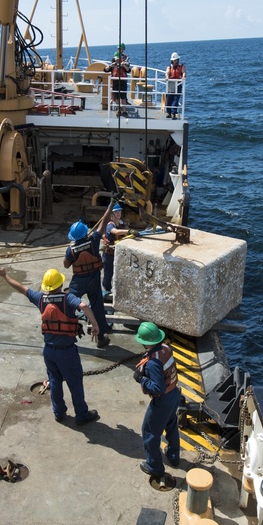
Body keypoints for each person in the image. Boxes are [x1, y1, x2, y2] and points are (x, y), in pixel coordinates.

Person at [0, 265, 101, 426]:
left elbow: (21, 288)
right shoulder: (67, 299)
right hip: (67, 352)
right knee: (74, 382)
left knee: (54, 380)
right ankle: (81, 415)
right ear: (59, 284)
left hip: (49, 351)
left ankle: (59, 412)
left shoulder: (40, 299)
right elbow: (83, 306)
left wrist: (4, 276)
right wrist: (95, 324)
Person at [133, 321, 181, 481]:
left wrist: (141, 379)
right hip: (174, 394)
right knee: (171, 424)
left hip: (162, 400)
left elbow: (157, 387)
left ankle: (154, 466)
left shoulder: (153, 362)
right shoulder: (166, 349)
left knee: (149, 432)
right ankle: (174, 456)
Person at [63, 202, 114, 348]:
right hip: (93, 279)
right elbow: (103, 223)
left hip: (79, 281)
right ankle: (101, 337)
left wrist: (69, 254)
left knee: (69, 302)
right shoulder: (93, 240)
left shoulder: (71, 249)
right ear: (85, 232)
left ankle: (65, 330)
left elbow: (66, 265)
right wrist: (110, 205)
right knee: (97, 305)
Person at [102, 203, 133, 297]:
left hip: (118, 253)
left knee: (118, 272)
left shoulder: (121, 223)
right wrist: (128, 231)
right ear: (111, 214)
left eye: (119, 211)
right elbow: (115, 232)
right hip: (109, 254)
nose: (118, 213)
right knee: (109, 273)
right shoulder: (110, 225)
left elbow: (125, 230)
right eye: (116, 212)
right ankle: (107, 291)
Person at [104, 48, 131, 115]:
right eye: (116, 59)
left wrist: (123, 65)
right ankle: (119, 110)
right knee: (117, 98)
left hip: (123, 82)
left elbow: (128, 70)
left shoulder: (124, 64)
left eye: (118, 59)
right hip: (115, 83)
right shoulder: (113, 66)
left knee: (123, 98)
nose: (117, 60)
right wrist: (111, 65)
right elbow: (105, 70)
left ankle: (124, 111)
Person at [165, 52, 186, 120]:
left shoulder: (181, 66)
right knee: (169, 98)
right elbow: (167, 72)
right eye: (175, 60)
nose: (176, 61)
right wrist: (167, 77)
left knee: (176, 99)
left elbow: (184, 72)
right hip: (171, 84)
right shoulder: (169, 67)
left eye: (177, 60)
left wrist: (183, 77)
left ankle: (174, 113)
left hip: (178, 84)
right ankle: (168, 112)